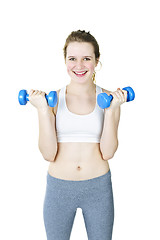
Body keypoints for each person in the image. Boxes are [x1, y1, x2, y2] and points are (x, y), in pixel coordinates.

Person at [29, 30, 127, 240]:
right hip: (59, 188)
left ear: (97, 61)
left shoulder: (110, 99)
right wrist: (42, 111)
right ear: (65, 61)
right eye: (72, 59)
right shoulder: (52, 100)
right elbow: (49, 154)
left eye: (86, 59)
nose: (79, 66)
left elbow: (108, 152)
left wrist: (110, 111)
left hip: (98, 188)